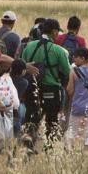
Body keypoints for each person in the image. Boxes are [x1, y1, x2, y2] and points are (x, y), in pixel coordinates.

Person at [18, 21, 72, 153]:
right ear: (54, 32)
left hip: (32, 88)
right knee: (51, 121)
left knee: (31, 119)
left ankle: (27, 148)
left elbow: (23, 65)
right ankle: (50, 149)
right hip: (51, 90)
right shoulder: (58, 50)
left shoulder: (28, 46)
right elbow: (67, 71)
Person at [65, 46, 88, 149]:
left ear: (83, 58)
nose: (73, 59)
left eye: (75, 57)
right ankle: (87, 155)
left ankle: (69, 151)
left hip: (77, 106)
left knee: (72, 130)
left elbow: (69, 90)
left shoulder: (74, 71)